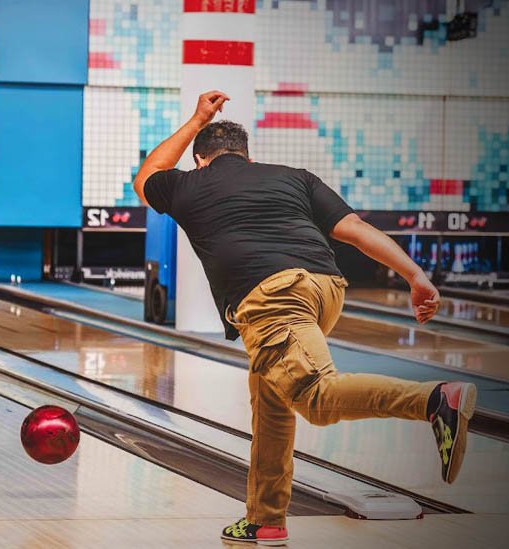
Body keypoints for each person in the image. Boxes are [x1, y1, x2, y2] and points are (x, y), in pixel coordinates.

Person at [133, 91, 477, 546]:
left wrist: (197, 119)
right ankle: (265, 518)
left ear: (200, 160)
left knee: (314, 397)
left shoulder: (186, 185)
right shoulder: (293, 177)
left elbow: (147, 176)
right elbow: (355, 231)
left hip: (271, 296)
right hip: (325, 288)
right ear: (246, 154)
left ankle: (434, 400)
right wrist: (415, 275)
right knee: (272, 399)